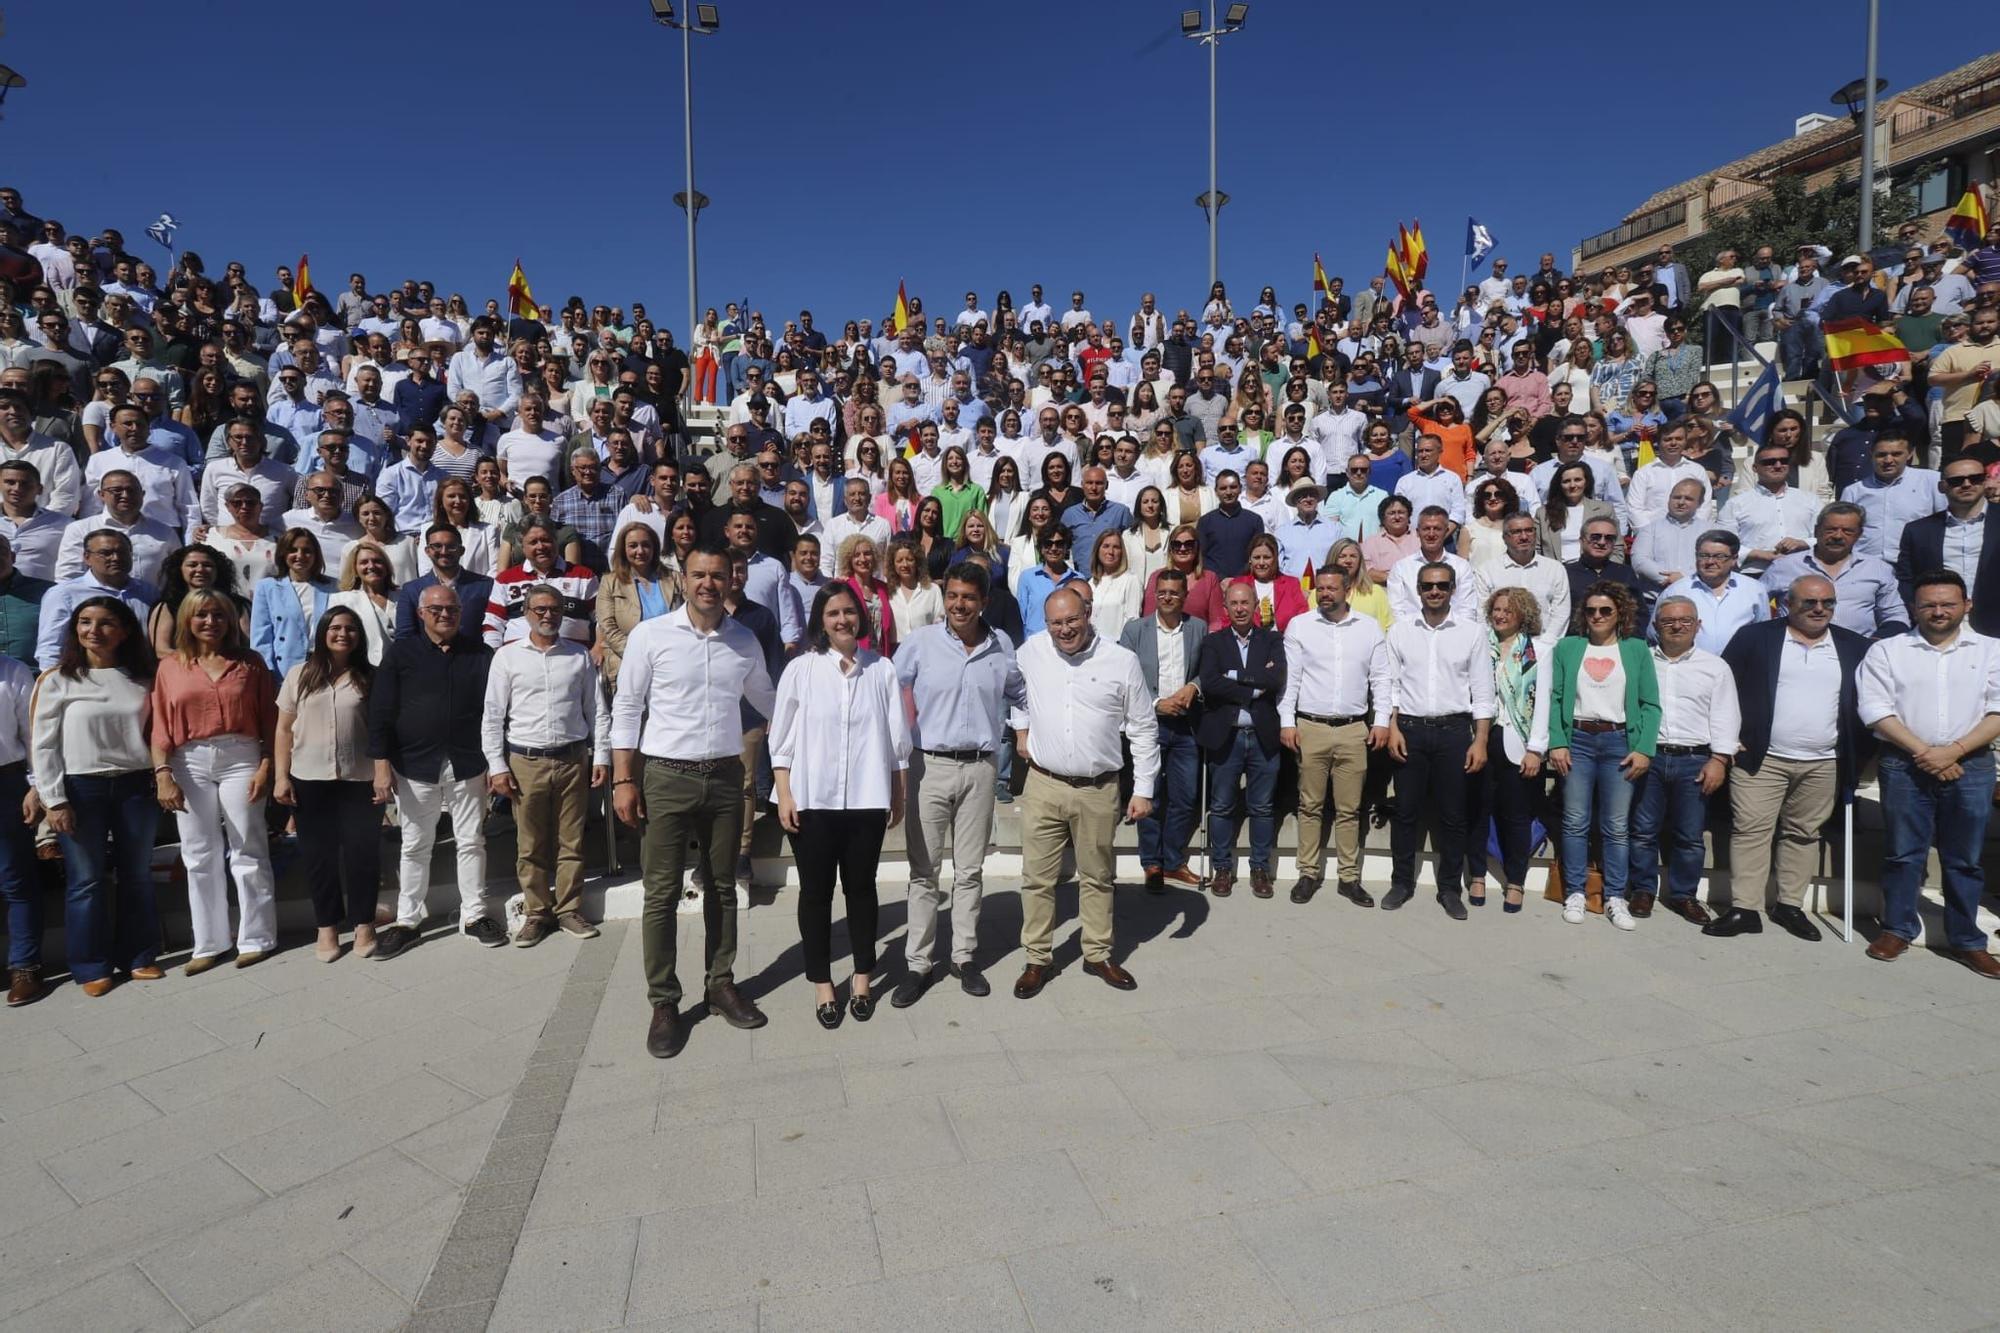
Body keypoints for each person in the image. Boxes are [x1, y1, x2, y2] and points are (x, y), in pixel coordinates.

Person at [612, 546, 775, 1058]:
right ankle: (664, 1002)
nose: (708, 583)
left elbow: (773, 703)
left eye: (718, 576)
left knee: (723, 887)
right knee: (660, 893)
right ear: (683, 579)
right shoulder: (651, 636)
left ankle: (720, 983)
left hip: (727, 778)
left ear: (732, 581)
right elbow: (627, 705)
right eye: (699, 574)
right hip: (666, 776)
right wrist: (623, 778)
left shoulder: (744, 640)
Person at [771, 583, 910, 1028]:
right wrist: (785, 794)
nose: (842, 620)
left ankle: (864, 977)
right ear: (821, 620)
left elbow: (896, 742)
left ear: (861, 617)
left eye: (849, 611)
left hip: (866, 801)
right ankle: (822, 983)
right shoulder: (801, 670)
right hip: (812, 802)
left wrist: (897, 792)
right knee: (815, 895)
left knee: (862, 892)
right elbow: (783, 740)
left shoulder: (882, 669)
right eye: (833, 613)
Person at [1009, 586, 1157, 998]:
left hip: (1098, 789)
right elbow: (1015, 694)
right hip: (1043, 784)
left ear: (1087, 613)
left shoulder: (1120, 661)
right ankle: (1037, 958)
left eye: (1072, 620)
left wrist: (1143, 788)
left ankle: (1097, 953)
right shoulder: (1031, 652)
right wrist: (1021, 730)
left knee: (1097, 877)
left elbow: (1144, 727)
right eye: (1056, 623)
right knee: (1037, 878)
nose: (1065, 629)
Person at [1711, 575, 1874, 941]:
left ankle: (1789, 906)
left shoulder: (1854, 646)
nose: (1819, 609)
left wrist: (1855, 755)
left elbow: (1867, 704)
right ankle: (1745, 908)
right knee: (1751, 831)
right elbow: (1722, 687)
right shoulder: (1755, 638)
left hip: (1824, 761)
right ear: (1787, 603)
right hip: (1761, 758)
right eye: (1809, 603)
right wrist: (1728, 740)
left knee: (1803, 834)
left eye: (1828, 603)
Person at [892, 562, 1025, 1005]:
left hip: (981, 769)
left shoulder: (1001, 644)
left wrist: (1023, 730)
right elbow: (888, 689)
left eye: (968, 597)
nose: (959, 605)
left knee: (970, 871)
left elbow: (1021, 693)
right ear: (943, 597)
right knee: (924, 871)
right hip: (929, 766)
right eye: (952, 596)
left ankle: (964, 956)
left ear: (984, 601)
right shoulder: (921, 643)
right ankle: (918, 963)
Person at [1859, 570, 2000, 978]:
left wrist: (1953, 752)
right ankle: (1897, 929)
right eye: (1929, 605)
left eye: (1947, 604)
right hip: (1905, 763)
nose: (1938, 612)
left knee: (1965, 858)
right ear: (1913, 608)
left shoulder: (1991, 650)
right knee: (1903, 853)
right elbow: (1875, 709)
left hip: (1970, 765)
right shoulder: (1887, 651)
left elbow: (1997, 710)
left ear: (1966, 605)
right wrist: (1927, 753)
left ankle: (1966, 939)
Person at [29, 598, 161, 997]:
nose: (94, 631)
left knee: (137, 876)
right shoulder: (58, 679)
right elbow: (44, 744)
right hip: (81, 788)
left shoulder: (143, 678)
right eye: (85, 622)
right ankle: (90, 966)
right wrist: (54, 799)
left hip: (136, 786)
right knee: (85, 881)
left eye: (105, 623)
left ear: (124, 631)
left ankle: (139, 956)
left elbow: (157, 734)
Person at [368, 583, 499, 957]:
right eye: (437, 609)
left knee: (471, 840)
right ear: (422, 613)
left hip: (469, 762)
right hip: (414, 764)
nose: (445, 615)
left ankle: (474, 915)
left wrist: (494, 761)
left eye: (452, 609)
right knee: (415, 845)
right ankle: (408, 921)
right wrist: (381, 766)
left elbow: (493, 711)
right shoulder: (401, 654)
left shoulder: (480, 654)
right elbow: (381, 712)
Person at [482, 583, 611, 946]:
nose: (547, 615)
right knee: (531, 843)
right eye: (539, 609)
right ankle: (537, 913)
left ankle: (569, 909)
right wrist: (497, 766)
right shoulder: (507, 658)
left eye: (554, 609)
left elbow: (597, 711)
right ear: (526, 614)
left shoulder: (579, 656)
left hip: (573, 759)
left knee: (572, 841)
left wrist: (600, 755)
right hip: (526, 760)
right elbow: (493, 716)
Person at [1545, 581, 1660, 930]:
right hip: (1578, 739)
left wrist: (1644, 749)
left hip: (1619, 743)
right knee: (1575, 821)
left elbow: (1650, 705)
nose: (1597, 616)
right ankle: (1576, 892)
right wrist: (1557, 741)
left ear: (1619, 614)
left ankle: (1614, 896)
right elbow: (1556, 697)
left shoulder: (1637, 649)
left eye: (1605, 610)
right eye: (1591, 610)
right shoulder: (1568, 647)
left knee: (1616, 826)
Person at [1383, 561, 1494, 920]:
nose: (1435, 591)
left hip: (1454, 733)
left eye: (1442, 586)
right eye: (1428, 586)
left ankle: (1449, 888)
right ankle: (1401, 883)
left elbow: (1482, 691)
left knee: (1453, 816)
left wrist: (1480, 741)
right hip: (1410, 731)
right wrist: (1393, 726)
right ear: (1418, 590)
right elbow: (1391, 686)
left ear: (1452, 590)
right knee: (1405, 812)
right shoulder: (1400, 631)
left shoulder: (1472, 632)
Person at [273, 607, 383, 963]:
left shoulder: (369, 676)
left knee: (361, 855)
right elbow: (283, 730)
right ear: (322, 632)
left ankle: (364, 923)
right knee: (319, 858)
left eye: (350, 629)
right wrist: (281, 775)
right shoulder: (299, 675)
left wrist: (383, 773)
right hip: (310, 779)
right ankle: (327, 926)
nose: (342, 634)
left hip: (359, 778)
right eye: (335, 627)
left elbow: (381, 732)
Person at [1279, 566, 1390, 905]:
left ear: (1347, 590)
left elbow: (1381, 679)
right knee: (1309, 805)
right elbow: (1291, 679)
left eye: (1332, 588)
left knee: (1349, 808)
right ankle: (1308, 873)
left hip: (1354, 729)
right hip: (1310, 726)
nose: (1325, 594)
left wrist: (1382, 720)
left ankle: (1349, 878)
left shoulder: (1369, 629)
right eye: (1321, 589)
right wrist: (1287, 721)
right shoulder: (1301, 626)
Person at [1118, 567, 1205, 896]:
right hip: (1149, 725)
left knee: (1185, 797)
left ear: (1185, 595)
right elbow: (1124, 677)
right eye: (1162, 592)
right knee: (1149, 796)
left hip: (1185, 726)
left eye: (1174, 592)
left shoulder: (1197, 628)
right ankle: (1151, 863)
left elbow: (1206, 671)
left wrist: (1194, 687)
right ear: (1155, 595)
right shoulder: (1135, 630)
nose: (1167, 598)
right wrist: (1155, 703)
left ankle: (1172, 860)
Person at [1196, 582, 1286, 899]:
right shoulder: (1213, 642)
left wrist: (1233, 676)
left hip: (1262, 735)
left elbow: (1277, 679)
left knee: (1261, 807)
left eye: (1245, 602)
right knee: (1221, 807)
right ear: (1225, 607)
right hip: (1227, 735)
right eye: (1233, 603)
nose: (1239, 608)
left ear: (1254, 604)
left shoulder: (1272, 639)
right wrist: (1253, 685)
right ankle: (1223, 868)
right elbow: (1209, 682)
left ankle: (1260, 869)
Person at [1464, 585, 1550, 913]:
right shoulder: (1479, 645)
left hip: (1519, 743)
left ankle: (1516, 880)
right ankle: (1476, 875)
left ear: (1523, 615)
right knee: (1478, 810)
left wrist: (1536, 750)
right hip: (1481, 737)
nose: (1500, 615)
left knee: (1516, 817)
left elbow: (1542, 702)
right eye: (1496, 609)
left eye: (1508, 610)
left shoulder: (1539, 650)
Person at [1763, 503, 1908, 639]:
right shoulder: (1783, 566)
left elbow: (1895, 615)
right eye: (1831, 530)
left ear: (1859, 534)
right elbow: (1755, 604)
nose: (1838, 536)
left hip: (1858, 653)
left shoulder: (1878, 569)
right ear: (1816, 530)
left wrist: (1874, 643)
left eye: (1847, 531)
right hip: (1793, 649)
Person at [1895, 457, 2000, 635]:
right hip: (1938, 626)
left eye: (1975, 478)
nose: (1967, 484)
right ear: (1942, 487)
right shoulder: (1918, 531)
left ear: (1984, 481)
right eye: (1957, 481)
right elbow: (1906, 579)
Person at [1659, 530, 1772, 653]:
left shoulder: (1754, 590)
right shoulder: (1676, 591)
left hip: (1741, 667)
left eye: (1719, 556)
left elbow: (1764, 633)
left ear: (1734, 559)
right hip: (1690, 666)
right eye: (1704, 555)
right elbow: (1656, 633)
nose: (1710, 562)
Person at [250, 529, 336, 682]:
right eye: (293, 550)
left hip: (326, 668)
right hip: (284, 671)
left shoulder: (334, 586)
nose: (300, 556)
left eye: (307, 551)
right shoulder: (267, 587)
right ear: (283, 553)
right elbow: (261, 637)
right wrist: (266, 673)